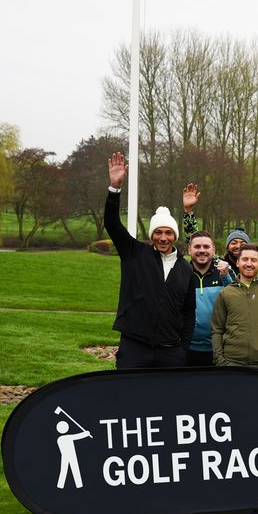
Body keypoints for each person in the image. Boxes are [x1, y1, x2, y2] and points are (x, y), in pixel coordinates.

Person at [103, 153, 196, 368]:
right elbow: (112, 224)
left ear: (174, 236)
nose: (163, 237)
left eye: (168, 233)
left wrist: (183, 347)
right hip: (135, 348)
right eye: (158, 232)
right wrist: (114, 188)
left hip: (171, 352)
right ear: (152, 235)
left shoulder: (184, 268)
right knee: (129, 399)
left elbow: (189, 311)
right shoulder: (134, 253)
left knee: (166, 402)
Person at [211, 244, 258, 369]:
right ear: (238, 263)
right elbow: (217, 329)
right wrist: (220, 360)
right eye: (245, 259)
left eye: (254, 260)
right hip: (231, 363)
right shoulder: (225, 293)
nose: (249, 263)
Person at [183, 228, 235, 367]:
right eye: (197, 246)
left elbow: (237, 304)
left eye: (206, 246)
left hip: (219, 349)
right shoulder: (181, 273)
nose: (202, 250)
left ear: (213, 249)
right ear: (189, 250)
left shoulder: (225, 273)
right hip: (187, 348)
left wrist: (226, 278)